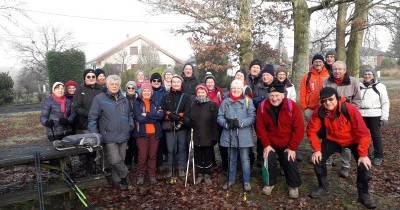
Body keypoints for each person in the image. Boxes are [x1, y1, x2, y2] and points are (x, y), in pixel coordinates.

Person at [307, 87, 376, 209]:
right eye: (324, 101)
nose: (328, 103)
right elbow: (311, 131)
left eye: (331, 99)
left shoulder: (349, 109)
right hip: (332, 139)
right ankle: (323, 186)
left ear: (337, 98)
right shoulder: (319, 112)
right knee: (317, 160)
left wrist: (363, 154)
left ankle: (363, 194)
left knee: (364, 165)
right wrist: (317, 149)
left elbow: (363, 133)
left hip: (353, 140)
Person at [255, 83, 304, 199]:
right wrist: (266, 145)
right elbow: (260, 127)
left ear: (283, 95)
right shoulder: (262, 107)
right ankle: (269, 183)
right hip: (271, 142)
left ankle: (293, 186)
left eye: (277, 95)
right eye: (271, 95)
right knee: (268, 157)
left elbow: (299, 129)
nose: (274, 98)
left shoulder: (292, 106)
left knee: (289, 158)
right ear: (268, 95)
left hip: (288, 141)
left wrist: (292, 147)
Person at [88, 75, 132, 190]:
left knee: (121, 159)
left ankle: (118, 181)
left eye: (116, 84)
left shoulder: (124, 99)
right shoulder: (100, 99)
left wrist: (130, 126)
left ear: (119, 86)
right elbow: (92, 118)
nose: (114, 86)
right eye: (111, 84)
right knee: (114, 159)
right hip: (109, 136)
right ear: (107, 85)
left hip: (123, 135)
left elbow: (129, 115)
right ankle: (126, 174)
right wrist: (95, 134)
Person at [323, 60, 361, 177]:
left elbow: (357, 100)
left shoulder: (354, 81)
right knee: (328, 140)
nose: (337, 71)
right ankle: (328, 162)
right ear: (332, 70)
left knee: (346, 143)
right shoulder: (326, 82)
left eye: (340, 69)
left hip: (346, 118)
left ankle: (345, 166)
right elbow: (323, 99)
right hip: (330, 117)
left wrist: (348, 111)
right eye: (335, 69)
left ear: (344, 70)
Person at [218, 79, 256, 192]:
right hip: (229, 134)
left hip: (243, 135)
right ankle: (230, 179)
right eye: (233, 88)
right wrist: (226, 124)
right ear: (230, 89)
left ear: (241, 90)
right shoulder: (225, 102)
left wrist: (241, 122)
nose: (235, 90)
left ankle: (246, 181)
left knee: (245, 159)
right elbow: (219, 117)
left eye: (238, 88)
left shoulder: (248, 101)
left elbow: (252, 117)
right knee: (231, 158)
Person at [185, 84, 219, 184]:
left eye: (202, 92)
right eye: (199, 92)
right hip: (196, 135)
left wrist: (214, 136)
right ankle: (200, 173)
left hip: (208, 136)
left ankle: (207, 174)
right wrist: (188, 121)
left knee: (208, 155)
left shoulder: (212, 105)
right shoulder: (192, 104)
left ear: (206, 93)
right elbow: (186, 116)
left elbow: (215, 122)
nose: (200, 94)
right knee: (198, 155)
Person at [133, 81, 164, 185]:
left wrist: (146, 115)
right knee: (142, 155)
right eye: (144, 90)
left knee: (152, 155)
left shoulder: (155, 102)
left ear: (151, 92)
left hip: (155, 133)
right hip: (141, 133)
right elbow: (139, 118)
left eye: (148, 91)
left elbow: (161, 116)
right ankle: (140, 175)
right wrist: (153, 116)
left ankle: (152, 175)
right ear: (141, 92)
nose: (147, 92)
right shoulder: (137, 102)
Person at [73, 69, 103, 175]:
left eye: (93, 77)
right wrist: (90, 113)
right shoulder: (79, 90)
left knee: (97, 148)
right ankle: (88, 171)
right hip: (84, 125)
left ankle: (97, 168)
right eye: (88, 77)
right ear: (84, 78)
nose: (91, 79)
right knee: (87, 149)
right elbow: (76, 107)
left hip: (99, 124)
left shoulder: (101, 89)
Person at [161, 74, 191, 178]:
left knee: (181, 147)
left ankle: (181, 168)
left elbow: (188, 111)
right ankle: (170, 168)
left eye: (178, 82)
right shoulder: (166, 95)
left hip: (182, 125)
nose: (176, 84)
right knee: (170, 148)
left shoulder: (186, 96)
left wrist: (179, 117)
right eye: (174, 82)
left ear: (181, 83)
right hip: (169, 125)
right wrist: (169, 114)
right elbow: (162, 109)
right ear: (171, 83)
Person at [359, 69, 390, 166]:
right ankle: (365, 153)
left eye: (369, 74)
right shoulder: (359, 86)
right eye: (365, 74)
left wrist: (384, 116)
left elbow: (385, 102)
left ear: (373, 75)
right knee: (363, 135)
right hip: (361, 114)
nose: (367, 76)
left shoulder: (380, 86)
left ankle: (378, 155)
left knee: (375, 136)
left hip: (375, 114)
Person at [299, 54, 330, 122]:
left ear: (323, 63)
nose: (318, 63)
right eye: (316, 62)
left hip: (326, 108)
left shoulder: (329, 75)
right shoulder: (307, 76)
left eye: (320, 61)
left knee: (325, 129)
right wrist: (305, 108)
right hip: (310, 109)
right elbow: (302, 92)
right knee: (311, 129)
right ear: (312, 63)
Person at [124, 81, 138, 168]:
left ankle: (136, 162)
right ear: (126, 89)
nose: (131, 89)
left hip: (137, 123)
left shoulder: (138, 98)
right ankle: (128, 162)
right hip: (127, 123)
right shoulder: (123, 98)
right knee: (128, 144)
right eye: (129, 88)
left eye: (133, 88)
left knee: (136, 144)